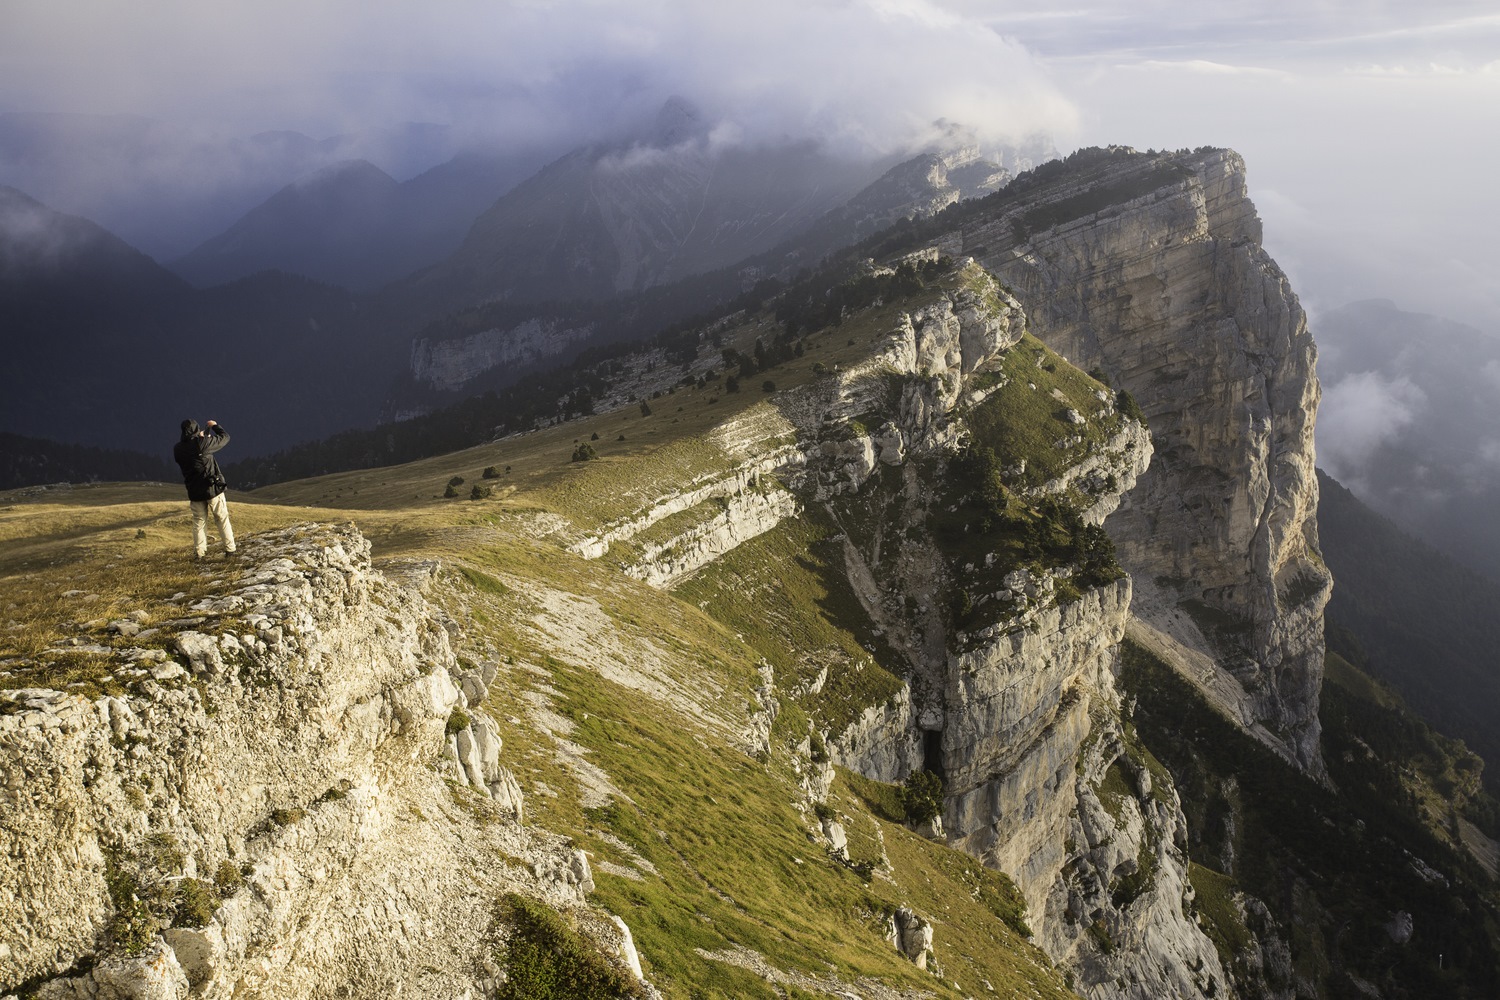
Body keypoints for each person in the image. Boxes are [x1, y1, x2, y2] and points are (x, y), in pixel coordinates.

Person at [173, 418, 237, 559]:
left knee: (199, 522)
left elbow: (191, 454)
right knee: (221, 518)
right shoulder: (202, 443)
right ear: (196, 429)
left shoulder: (178, 449)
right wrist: (214, 426)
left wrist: (198, 439)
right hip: (212, 489)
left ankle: (199, 553)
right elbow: (225, 438)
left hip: (194, 491)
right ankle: (230, 550)